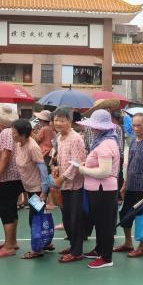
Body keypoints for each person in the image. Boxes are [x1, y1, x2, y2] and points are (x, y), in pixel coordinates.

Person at [74, 109, 121, 269]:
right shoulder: (105, 141)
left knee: (105, 224)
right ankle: (100, 250)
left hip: (102, 190)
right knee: (101, 223)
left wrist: (83, 170)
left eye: (95, 126)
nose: (92, 129)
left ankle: (106, 257)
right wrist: (87, 165)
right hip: (99, 190)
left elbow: (104, 172)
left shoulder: (105, 144)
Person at [115, 112, 143, 258]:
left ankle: (142, 247)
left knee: (142, 217)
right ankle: (128, 243)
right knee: (125, 215)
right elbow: (130, 164)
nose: (135, 128)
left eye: (139, 125)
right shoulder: (133, 141)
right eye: (133, 125)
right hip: (131, 186)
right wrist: (125, 184)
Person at [12, 118, 53, 259]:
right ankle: (45, 242)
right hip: (29, 188)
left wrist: (44, 192)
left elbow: (43, 170)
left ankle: (37, 249)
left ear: (23, 134)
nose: (12, 135)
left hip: (37, 189)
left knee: (35, 218)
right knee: (39, 217)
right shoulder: (19, 144)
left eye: (14, 132)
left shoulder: (32, 147)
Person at [52, 106, 87, 263]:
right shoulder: (59, 137)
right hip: (65, 185)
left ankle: (77, 251)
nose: (58, 123)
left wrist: (62, 178)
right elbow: (62, 158)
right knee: (67, 218)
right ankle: (73, 245)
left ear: (70, 121)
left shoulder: (76, 138)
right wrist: (57, 169)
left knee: (75, 219)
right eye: (56, 120)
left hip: (75, 185)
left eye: (62, 120)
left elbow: (77, 163)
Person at [0, 103, 23, 258]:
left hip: (8, 177)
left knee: (6, 210)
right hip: (14, 176)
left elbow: (6, 155)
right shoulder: (10, 132)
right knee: (11, 209)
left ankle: (9, 245)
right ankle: (11, 241)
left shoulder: (6, 133)